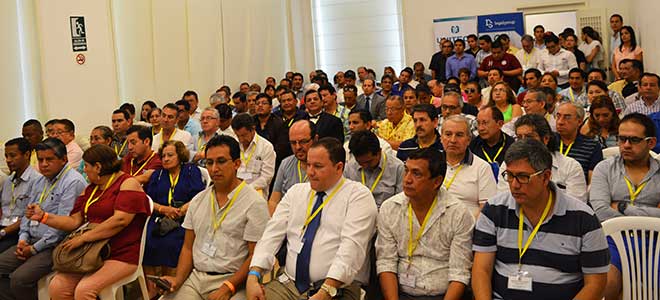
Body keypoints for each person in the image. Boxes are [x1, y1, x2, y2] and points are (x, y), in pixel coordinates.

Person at [472, 138, 608, 300]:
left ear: (545, 177)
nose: (514, 185)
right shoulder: (495, 209)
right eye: (509, 175)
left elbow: (596, 284)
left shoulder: (583, 218)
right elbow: (481, 270)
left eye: (523, 177)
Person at [246, 138, 378, 300]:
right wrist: (254, 274)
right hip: (288, 284)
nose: (310, 172)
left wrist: (326, 291)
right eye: (308, 165)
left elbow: (351, 249)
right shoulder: (296, 192)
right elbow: (271, 236)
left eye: (318, 166)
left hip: (337, 287)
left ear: (339, 168)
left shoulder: (358, 196)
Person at [155, 135, 269, 300]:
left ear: (237, 164)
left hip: (233, 279)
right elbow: (188, 247)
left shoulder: (254, 203)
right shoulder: (198, 200)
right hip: (196, 278)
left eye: (221, 161)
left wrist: (229, 287)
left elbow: (255, 255)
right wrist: (177, 279)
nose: (214, 169)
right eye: (209, 162)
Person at [30, 144, 150, 300]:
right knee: (57, 285)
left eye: (86, 166)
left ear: (98, 167)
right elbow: (74, 221)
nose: (84, 170)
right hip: (91, 251)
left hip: (120, 252)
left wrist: (83, 238)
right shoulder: (91, 189)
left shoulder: (127, 183)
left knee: (84, 290)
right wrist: (44, 217)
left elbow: (120, 220)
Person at [376, 148, 473, 300]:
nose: (407, 179)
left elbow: (459, 273)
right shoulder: (390, 208)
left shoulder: (458, 213)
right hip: (400, 294)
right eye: (406, 170)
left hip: (442, 295)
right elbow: (386, 262)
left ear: (436, 181)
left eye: (416, 174)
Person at [0, 138, 86, 300]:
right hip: (31, 240)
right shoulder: (39, 180)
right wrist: (23, 240)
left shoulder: (72, 182)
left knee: (20, 279)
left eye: (49, 159)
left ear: (64, 159)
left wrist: (33, 249)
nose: (44, 164)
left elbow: (62, 227)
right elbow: (27, 214)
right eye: (40, 160)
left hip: (55, 246)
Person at [588, 113, 660, 300]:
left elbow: (610, 209)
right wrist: (653, 211)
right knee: (607, 285)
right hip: (613, 239)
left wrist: (622, 207)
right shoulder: (604, 169)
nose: (626, 145)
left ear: (650, 143)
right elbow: (601, 212)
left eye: (634, 140)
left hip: (657, 240)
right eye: (622, 139)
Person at [143, 140, 205, 298]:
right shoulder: (158, 174)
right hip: (160, 216)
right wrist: (164, 209)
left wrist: (183, 209)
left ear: (180, 156)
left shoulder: (192, 170)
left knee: (172, 242)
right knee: (146, 240)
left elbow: (200, 196)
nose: (166, 159)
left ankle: (171, 284)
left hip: (184, 216)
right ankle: (152, 290)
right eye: (163, 156)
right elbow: (148, 199)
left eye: (170, 155)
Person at [498, 114, 587, 201]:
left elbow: (576, 207)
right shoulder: (508, 165)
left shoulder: (570, 166)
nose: (523, 142)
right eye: (519, 137)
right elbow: (503, 201)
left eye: (529, 137)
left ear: (546, 139)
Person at [440, 115, 497, 217]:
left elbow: (486, 208)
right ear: (441, 138)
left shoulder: (482, 168)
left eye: (459, 135)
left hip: (469, 228)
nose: (453, 140)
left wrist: (467, 228)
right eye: (448, 134)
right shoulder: (431, 163)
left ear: (468, 140)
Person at [0, 138, 41, 253]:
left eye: (12, 156)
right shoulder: (8, 181)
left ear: (27, 155)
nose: (8, 160)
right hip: (3, 227)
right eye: (6, 156)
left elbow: (28, 217)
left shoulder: (36, 181)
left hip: (18, 232)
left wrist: (3, 232)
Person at [268, 120, 316, 215]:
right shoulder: (285, 163)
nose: (298, 147)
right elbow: (274, 200)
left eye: (303, 142)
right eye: (293, 143)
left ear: (315, 139)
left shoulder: (325, 166)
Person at [345, 130, 403, 208]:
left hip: (385, 215)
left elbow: (400, 202)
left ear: (379, 152)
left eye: (369, 162)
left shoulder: (397, 168)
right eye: (360, 163)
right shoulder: (350, 166)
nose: (365, 166)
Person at [231, 113, 275, 199]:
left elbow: (266, 177)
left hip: (256, 192)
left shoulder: (266, 147)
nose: (241, 139)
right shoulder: (234, 143)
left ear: (253, 129)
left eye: (244, 135)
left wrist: (246, 189)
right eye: (238, 135)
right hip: (235, 190)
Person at [556, 102, 603, 182]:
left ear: (579, 122)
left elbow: (593, 182)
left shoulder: (592, 146)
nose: (560, 122)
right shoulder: (547, 142)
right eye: (558, 116)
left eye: (567, 117)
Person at [470, 107, 514, 179]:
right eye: (478, 123)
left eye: (485, 123)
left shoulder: (511, 145)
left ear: (500, 124)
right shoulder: (473, 145)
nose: (480, 128)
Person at [254, 93, 291, 169]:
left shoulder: (279, 124)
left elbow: (281, 149)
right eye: (257, 103)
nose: (260, 105)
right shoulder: (250, 122)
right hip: (253, 161)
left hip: (273, 163)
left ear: (270, 107)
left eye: (264, 103)